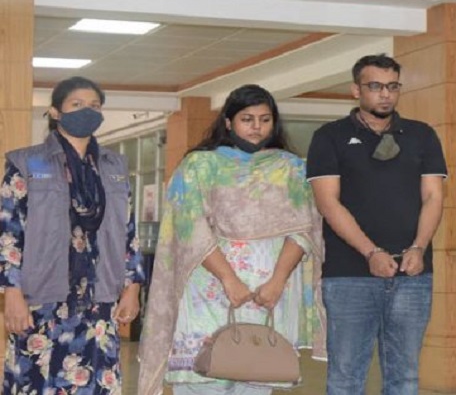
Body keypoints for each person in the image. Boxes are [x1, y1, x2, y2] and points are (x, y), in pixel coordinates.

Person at [138, 84, 325, 395]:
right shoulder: (199, 165)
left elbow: (304, 229)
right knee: (203, 377)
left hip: (267, 292)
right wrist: (229, 279)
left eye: (265, 119)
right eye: (247, 119)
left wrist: (277, 281)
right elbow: (190, 228)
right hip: (208, 289)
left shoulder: (291, 168)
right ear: (228, 122)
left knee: (256, 376)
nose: (256, 127)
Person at [306, 54, 446, 395]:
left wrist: (419, 247)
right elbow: (328, 203)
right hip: (349, 276)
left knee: (405, 378)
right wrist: (371, 252)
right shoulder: (329, 136)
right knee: (346, 378)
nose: (385, 94)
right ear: (356, 90)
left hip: (412, 276)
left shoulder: (422, 135)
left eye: (392, 86)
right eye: (375, 86)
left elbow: (433, 197)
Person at [0, 76, 144, 394]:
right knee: (36, 383)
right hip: (42, 297)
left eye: (94, 105)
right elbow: (9, 232)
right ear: (55, 112)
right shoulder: (27, 163)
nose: (87, 111)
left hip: (99, 297)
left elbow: (128, 230)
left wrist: (132, 287)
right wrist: (11, 293)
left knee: (96, 382)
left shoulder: (114, 167)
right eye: (76, 104)